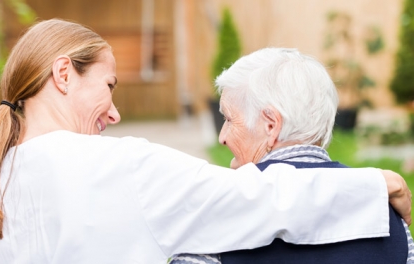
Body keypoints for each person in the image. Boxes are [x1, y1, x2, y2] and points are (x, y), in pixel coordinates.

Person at [0, 20, 410, 264]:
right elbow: (260, 197)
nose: (114, 113)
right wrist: (378, 184)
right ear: (63, 74)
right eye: (109, 85)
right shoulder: (119, 167)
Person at [169, 48, 414, 264]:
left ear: (270, 125)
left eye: (229, 119)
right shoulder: (386, 211)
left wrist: (232, 192)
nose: (222, 137)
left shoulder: (216, 214)